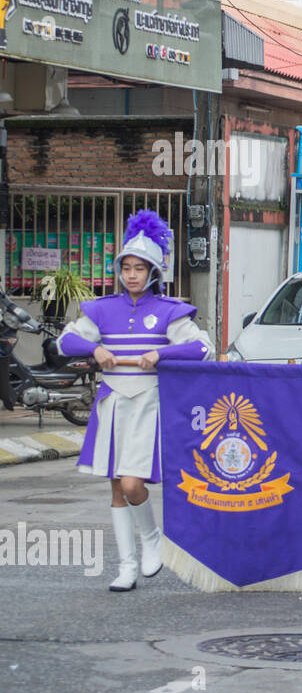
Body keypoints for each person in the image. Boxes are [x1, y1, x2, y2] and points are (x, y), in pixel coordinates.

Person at [56, 210, 213, 592]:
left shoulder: (168, 311)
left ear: (153, 272)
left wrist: (162, 355)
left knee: (131, 484)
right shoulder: (102, 308)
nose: (131, 275)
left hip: (148, 402)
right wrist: (96, 349)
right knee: (115, 487)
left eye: (139, 268)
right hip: (113, 402)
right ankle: (126, 566)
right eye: (126, 267)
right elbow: (64, 342)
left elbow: (202, 348)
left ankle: (152, 538)